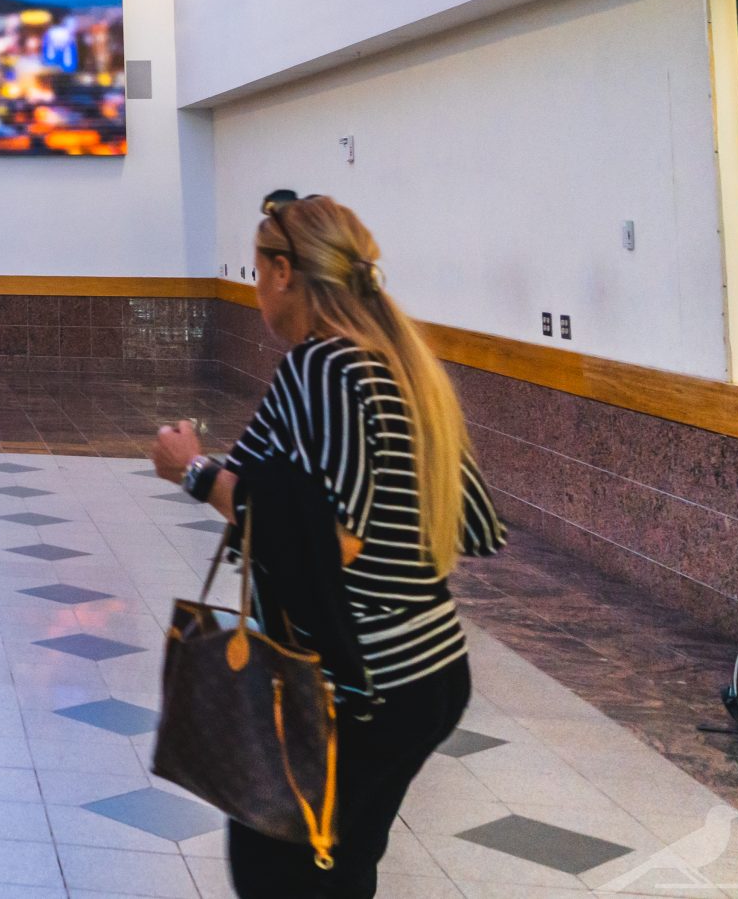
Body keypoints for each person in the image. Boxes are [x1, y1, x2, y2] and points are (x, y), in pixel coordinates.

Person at [151, 196, 506, 898]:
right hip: (428, 666)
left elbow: (325, 539)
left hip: (358, 684)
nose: (254, 289)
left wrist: (192, 470)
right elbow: (466, 522)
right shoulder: (402, 365)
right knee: (337, 865)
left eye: (257, 272)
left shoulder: (325, 365)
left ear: (284, 271)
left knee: (278, 872)